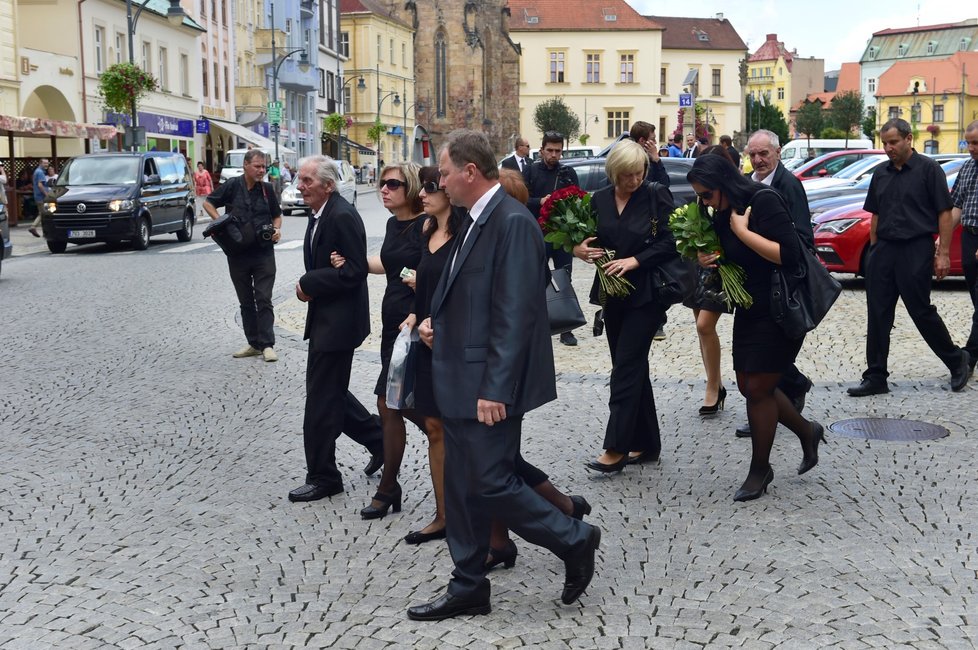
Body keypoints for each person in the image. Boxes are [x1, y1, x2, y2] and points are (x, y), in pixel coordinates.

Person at [407, 129, 600, 621]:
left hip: (484, 385)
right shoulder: (475, 218)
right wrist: (438, 326)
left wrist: (495, 388)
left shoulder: (511, 223)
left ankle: (574, 537)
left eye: (445, 173)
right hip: (457, 373)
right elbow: (475, 299)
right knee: (463, 485)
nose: (440, 182)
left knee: (491, 481)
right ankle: (468, 584)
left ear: (470, 172)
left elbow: (515, 314)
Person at [687, 154, 825, 502]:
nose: (702, 202)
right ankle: (807, 432)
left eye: (705, 194)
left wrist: (743, 232)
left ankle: (759, 469)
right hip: (751, 306)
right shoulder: (720, 212)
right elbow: (732, 256)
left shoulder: (763, 201)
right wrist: (709, 257)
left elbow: (791, 254)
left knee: (760, 388)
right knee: (749, 384)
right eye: (699, 196)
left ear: (723, 184)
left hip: (780, 308)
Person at [573, 140, 676, 473]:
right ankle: (648, 444)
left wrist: (636, 260)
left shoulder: (655, 194)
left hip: (646, 295)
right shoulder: (599, 199)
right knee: (631, 368)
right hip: (612, 294)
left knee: (625, 370)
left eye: (639, 173)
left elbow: (670, 242)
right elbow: (591, 239)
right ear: (614, 173)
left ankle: (616, 447)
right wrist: (580, 251)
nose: (634, 180)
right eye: (628, 175)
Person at [848, 118, 970, 396]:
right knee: (877, 314)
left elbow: (944, 214)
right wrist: (875, 249)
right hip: (884, 250)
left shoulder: (929, 170)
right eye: (885, 144)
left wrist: (943, 253)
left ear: (908, 139)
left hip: (916, 248)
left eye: (893, 142)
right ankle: (876, 375)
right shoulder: (880, 173)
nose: (888, 148)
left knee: (920, 309)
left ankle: (956, 359)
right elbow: (875, 214)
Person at [289, 155, 383, 502]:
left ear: (328, 185)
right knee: (330, 395)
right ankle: (381, 441)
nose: (300, 187)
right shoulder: (323, 212)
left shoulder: (341, 215)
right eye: (300, 180)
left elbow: (355, 271)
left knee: (320, 401)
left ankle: (324, 477)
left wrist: (308, 282)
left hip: (339, 324)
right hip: (328, 320)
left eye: (307, 181)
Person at [355, 163, 430, 520]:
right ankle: (391, 485)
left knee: (391, 403)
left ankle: (389, 487)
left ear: (411, 188)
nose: (383, 189)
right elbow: (390, 263)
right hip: (391, 324)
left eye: (392, 184)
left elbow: (428, 273)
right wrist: (352, 262)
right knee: (391, 404)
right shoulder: (391, 224)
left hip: (413, 324)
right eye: (382, 183)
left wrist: (417, 301)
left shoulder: (425, 225)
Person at [733, 129, 815, 438]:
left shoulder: (788, 185)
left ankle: (782, 397)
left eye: (763, 154)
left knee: (769, 354)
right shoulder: (747, 183)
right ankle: (777, 400)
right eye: (752, 154)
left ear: (778, 153)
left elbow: (802, 238)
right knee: (762, 354)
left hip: (783, 280)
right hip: (757, 281)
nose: (757, 160)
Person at [203, 149, 283, 362]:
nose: (261, 170)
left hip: (263, 252)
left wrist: (277, 230)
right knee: (246, 301)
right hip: (237, 253)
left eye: (264, 166)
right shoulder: (232, 186)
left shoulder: (267, 189)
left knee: (264, 298)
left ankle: (267, 344)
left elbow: (277, 216)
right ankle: (253, 343)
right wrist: (220, 221)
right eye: (257, 166)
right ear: (246, 165)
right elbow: (208, 202)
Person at [683, 145, 736, 416]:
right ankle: (714, 382)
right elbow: (693, 231)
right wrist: (697, 249)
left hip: (722, 270)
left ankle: (714, 386)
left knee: (705, 325)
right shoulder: (701, 199)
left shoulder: (734, 197)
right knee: (700, 327)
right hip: (701, 268)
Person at [526, 131, 581, 346]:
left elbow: (579, 198)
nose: (554, 155)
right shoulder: (531, 171)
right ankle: (536, 323)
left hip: (562, 235)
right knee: (535, 278)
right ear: (542, 150)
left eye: (558, 151)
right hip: (538, 234)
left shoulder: (568, 173)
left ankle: (565, 328)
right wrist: (540, 201)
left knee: (564, 278)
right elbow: (521, 198)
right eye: (550, 150)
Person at [951, 120, 978, 375]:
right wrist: (943, 237)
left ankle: (968, 357)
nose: (971, 147)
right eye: (968, 142)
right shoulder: (968, 167)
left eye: (976, 143)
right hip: (969, 238)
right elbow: (957, 204)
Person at [629, 121, 670, 186]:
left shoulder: (651, 158)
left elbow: (665, 184)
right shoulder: (629, 159)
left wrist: (657, 160)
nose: (655, 142)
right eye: (653, 139)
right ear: (642, 140)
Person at [28, 158, 49, 237]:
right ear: (40, 163)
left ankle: (44, 231)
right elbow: (40, 185)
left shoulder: (37, 171)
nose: (46, 165)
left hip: (38, 196)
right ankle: (33, 227)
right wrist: (46, 194)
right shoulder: (40, 172)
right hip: (42, 197)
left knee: (43, 213)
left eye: (47, 163)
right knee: (45, 214)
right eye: (44, 163)